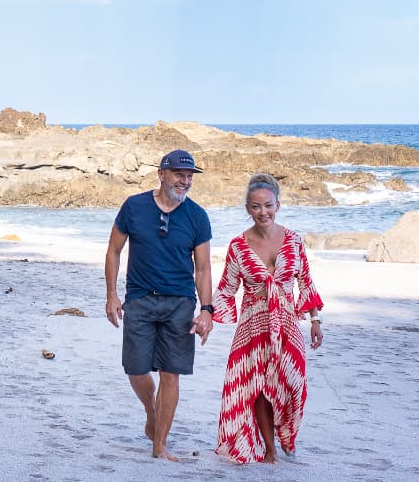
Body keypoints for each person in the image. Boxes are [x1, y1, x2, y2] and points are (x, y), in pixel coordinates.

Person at [104, 148, 214, 461]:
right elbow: (113, 250)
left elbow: (203, 268)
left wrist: (207, 310)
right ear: (161, 174)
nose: (185, 181)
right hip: (139, 299)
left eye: (190, 176)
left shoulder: (197, 216)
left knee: (171, 373)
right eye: (180, 174)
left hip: (180, 303)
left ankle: (159, 445)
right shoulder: (134, 206)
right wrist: (112, 295)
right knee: (136, 371)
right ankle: (152, 414)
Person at [213, 172, 324, 464]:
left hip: (287, 322)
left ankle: (286, 434)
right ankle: (270, 449)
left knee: (292, 381)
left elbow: (306, 282)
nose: (263, 211)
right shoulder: (238, 245)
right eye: (255, 206)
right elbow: (226, 288)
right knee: (259, 387)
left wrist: (315, 320)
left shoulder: (295, 241)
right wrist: (206, 317)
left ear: (278, 205)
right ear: (248, 209)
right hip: (253, 325)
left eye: (268, 205)